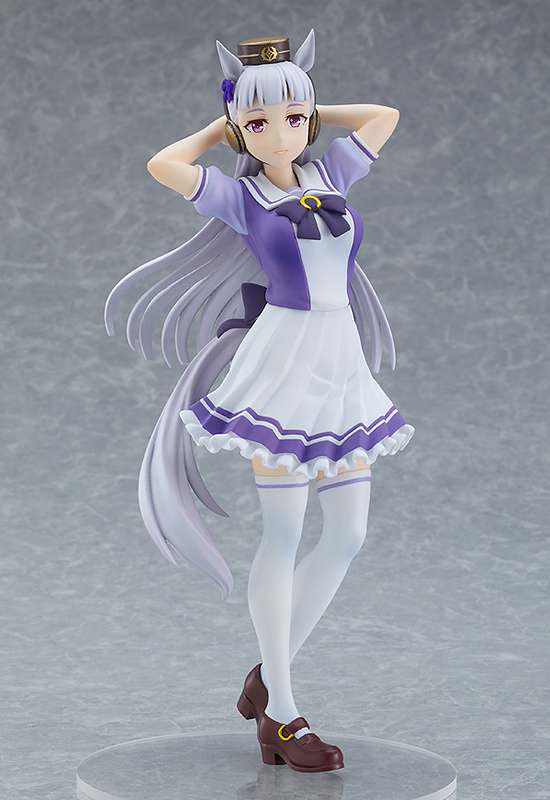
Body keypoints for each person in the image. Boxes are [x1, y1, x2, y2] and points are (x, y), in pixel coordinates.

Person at [104, 29, 414, 772]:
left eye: (293, 119)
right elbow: (163, 164)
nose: (280, 135)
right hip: (282, 366)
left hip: (338, 364)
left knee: (348, 534)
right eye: (261, 124)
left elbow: (385, 117)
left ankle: (267, 676)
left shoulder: (332, 170)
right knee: (284, 533)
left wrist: (302, 105)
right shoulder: (240, 196)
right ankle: (282, 712)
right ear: (240, 128)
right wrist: (224, 126)